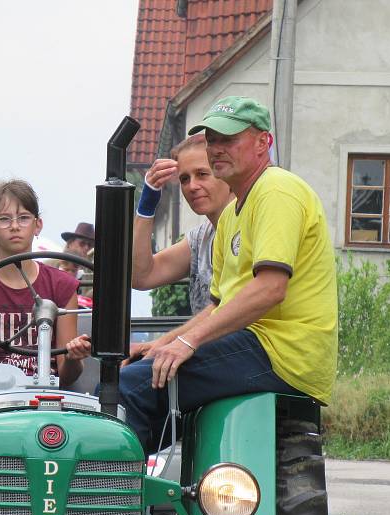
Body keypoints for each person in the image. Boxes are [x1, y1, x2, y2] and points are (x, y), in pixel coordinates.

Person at [119, 96, 338, 452]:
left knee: (130, 387)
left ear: (263, 142)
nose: (218, 149)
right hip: (256, 345)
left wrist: (187, 343)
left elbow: (270, 289)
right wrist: (163, 344)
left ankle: (112, 501)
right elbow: (216, 306)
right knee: (135, 385)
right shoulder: (233, 214)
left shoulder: (277, 190)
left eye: (229, 139)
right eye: (212, 141)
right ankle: (150, 496)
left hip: (282, 351)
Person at [0, 179, 91, 385]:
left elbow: (67, 375)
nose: (15, 226)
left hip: (44, 393)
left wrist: (73, 357)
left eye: (24, 218)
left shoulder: (62, 285)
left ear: (37, 225)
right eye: (5, 219)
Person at [132, 133, 235, 316]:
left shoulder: (249, 224)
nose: (192, 186)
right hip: (203, 343)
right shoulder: (200, 238)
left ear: (227, 173)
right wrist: (146, 206)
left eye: (202, 174)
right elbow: (140, 276)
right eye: (184, 179)